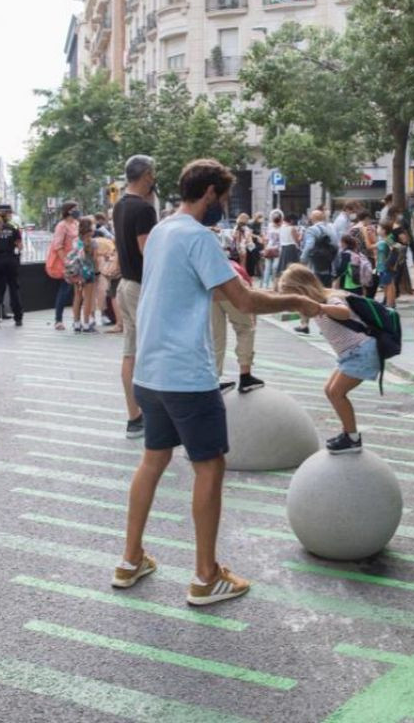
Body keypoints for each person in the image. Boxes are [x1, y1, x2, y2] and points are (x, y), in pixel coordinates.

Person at [116, 159, 321, 602]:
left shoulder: (165, 230)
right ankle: (206, 576)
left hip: (150, 372)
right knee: (209, 467)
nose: (224, 206)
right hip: (186, 374)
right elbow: (244, 301)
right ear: (208, 192)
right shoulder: (197, 238)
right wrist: (299, 301)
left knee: (153, 460)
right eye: (223, 198)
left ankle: (130, 560)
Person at [278, 264, 380, 454]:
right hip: (350, 354)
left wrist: (319, 307)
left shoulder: (330, 298)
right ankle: (347, 433)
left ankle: (352, 438)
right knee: (330, 390)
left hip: (361, 352)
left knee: (336, 393)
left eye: (292, 295)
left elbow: (344, 312)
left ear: (302, 289)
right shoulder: (315, 301)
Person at [113, 155, 159, 439]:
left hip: (125, 285)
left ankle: (135, 417)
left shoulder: (119, 205)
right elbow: (149, 252)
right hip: (142, 287)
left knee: (130, 352)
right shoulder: (143, 209)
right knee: (151, 352)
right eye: (153, 174)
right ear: (146, 175)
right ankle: (154, 415)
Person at [211, 256, 264, 394]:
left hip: (210, 289)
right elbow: (247, 294)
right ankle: (245, 377)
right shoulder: (238, 269)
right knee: (245, 328)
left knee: (216, 336)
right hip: (232, 289)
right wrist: (252, 316)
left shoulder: (217, 262)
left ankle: (214, 382)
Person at [50, 201, 80, 330]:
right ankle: (58, 319)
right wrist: (67, 262)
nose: (77, 211)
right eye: (75, 209)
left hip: (79, 260)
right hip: (68, 262)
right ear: (68, 210)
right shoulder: (61, 226)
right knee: (65, 290)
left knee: (78, 291)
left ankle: (77, 320)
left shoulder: (76, 224)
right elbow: (58, 245)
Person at [66, 217, 99, 332]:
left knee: (77, 296)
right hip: (89, 273)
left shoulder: (76, 241)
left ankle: (76, 323)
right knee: (88, 299)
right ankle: (86, 323)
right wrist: (97, 270)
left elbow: (72, 255)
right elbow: (95, 259)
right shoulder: (93, 242)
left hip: (77, 273)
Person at [375, 219, 403, 307]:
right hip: (383, 266)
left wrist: (391, 262)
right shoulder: (384, 239)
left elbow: (397, 248)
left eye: (379, 227)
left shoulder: (388, 239)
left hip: (386, 266)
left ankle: (390, 303)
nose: (377, 229)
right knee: (387, 284)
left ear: (384, 230)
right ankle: (388, 301)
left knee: (389, 284)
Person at [261, 210, 284, 288]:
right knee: (267, 267)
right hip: (269, 248)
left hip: (279, 249)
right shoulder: (269, 226)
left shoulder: (283, 226)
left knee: (275, 267)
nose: (276, 223)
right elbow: (266, 238)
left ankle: (275, 284)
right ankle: (265, 285)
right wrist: (264, 248)